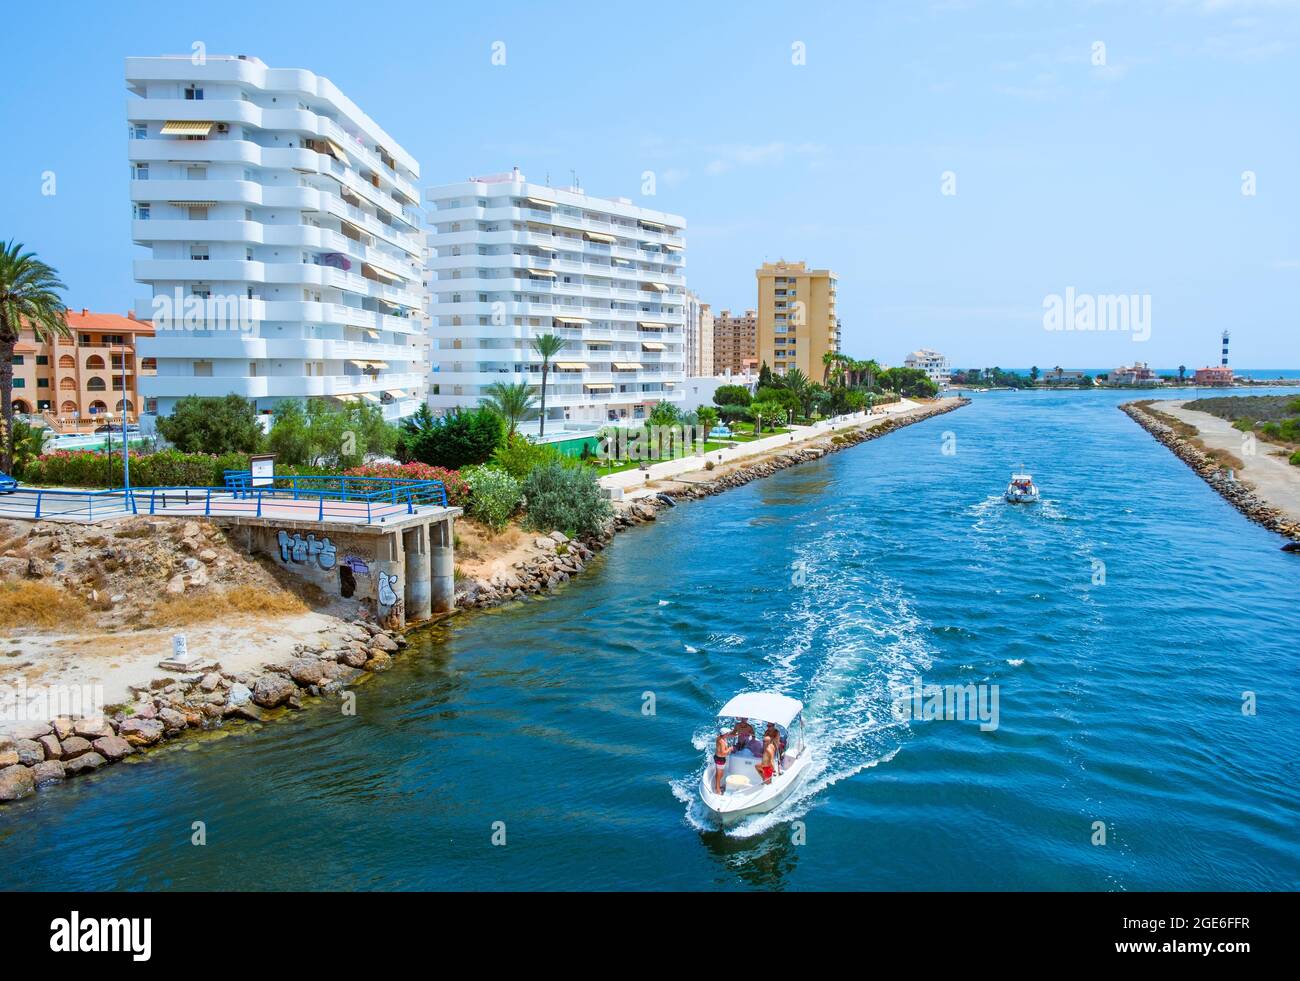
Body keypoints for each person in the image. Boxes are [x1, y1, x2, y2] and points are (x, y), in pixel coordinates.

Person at [713, 729, 734, 794]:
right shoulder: (722, 742)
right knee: (719, 775)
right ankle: (718, 790)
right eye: (727, 733)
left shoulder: (720, 737)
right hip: (720, 759)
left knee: (720, 774)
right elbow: (723, 753)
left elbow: (730, 736)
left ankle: (717, 786)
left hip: (718, 758)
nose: (728, 734)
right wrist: (730, 748)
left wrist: (738, 734)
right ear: (725, 734)